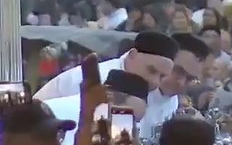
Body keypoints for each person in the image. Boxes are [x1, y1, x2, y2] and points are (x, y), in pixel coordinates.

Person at [34, 30, 178, 101]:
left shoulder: (159, 93)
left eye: (162, 76)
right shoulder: (96, 80)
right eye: (151, 70)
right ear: (132, 55)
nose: (155, 82)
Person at [140, 32, 210, 138]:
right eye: (178, 71)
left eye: (190, 79)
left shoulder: (174, 102)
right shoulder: (127, 90)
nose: (181, 83)